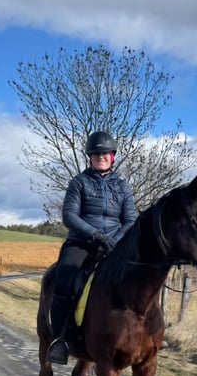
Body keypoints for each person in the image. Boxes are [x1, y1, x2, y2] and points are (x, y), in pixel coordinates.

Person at [47, 131, 136, 364]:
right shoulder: (79, 183)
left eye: (105, 153)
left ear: (112, 156)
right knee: (64, 281)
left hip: (115, 245)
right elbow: (69, 216)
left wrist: (115, 240)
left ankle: (146, 333)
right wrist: (96, 236)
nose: (101, 157)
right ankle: (60, 340)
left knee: (142, 278)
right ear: (90, 157)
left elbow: (130, 220)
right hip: (82, 242)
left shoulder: (123, 187)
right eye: (96, 154)